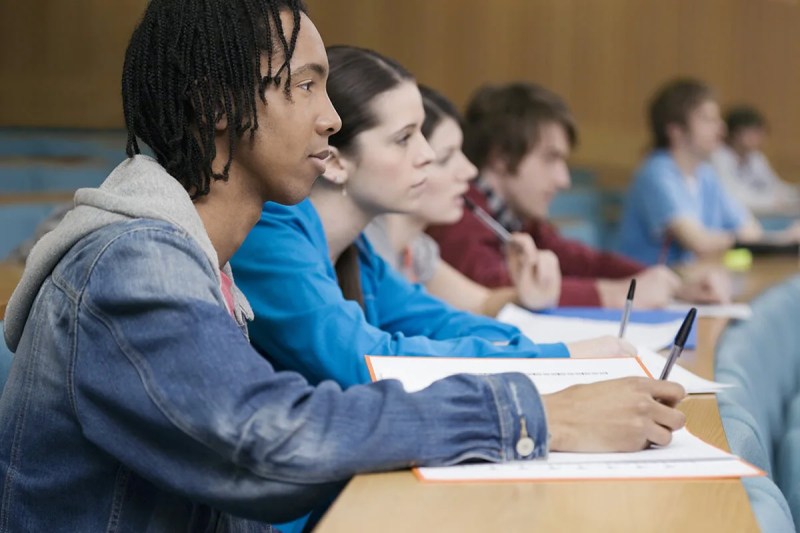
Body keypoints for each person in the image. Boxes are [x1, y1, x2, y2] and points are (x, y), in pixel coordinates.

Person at [0, 2, 688, 531]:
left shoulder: (196, 255)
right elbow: (266, 439)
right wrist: (536, 413)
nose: (331, 119)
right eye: (306, 86)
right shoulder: (134, 263)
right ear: (215, 105)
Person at [231, 46, 642, 390]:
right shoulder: (271, 232)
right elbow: (369, 360)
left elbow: (442, 323)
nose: (427, 156)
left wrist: (541, 350)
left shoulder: (357, 253)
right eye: (404, 138)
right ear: (335, 162)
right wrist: (557, 357)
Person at [427, 82, 728, 308]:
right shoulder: (457, 214)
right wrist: (620, 294)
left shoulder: (516, 218)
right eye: (550, 159)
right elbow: (501, 290)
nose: (563, 180)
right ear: (502, 157)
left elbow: (583, 261)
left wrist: (672, 282)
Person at [364, 85, 562, 315]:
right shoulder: (368, 250)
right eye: (446, 158)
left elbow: (481, 303)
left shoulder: (417, 248)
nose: (469, 171)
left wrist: (525, 296)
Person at [617, 78, 800, 265]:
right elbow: (698, 242)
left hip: (691, 282)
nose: (720, 128)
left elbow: (750, 229)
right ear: (675, 130)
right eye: (707, 119)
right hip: (644, 287)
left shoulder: (705, 175)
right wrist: (779, 239)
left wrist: (760, 239)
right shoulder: (656, 173)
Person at [711, 105, 800, 215]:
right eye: (754, 132)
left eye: (761, 132)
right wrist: (772, 202)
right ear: (736, 133)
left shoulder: (756, 157)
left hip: (758, 212)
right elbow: (734, 197)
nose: (759, 137)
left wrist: (796, 192)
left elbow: (775, 186)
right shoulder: (717, 157)